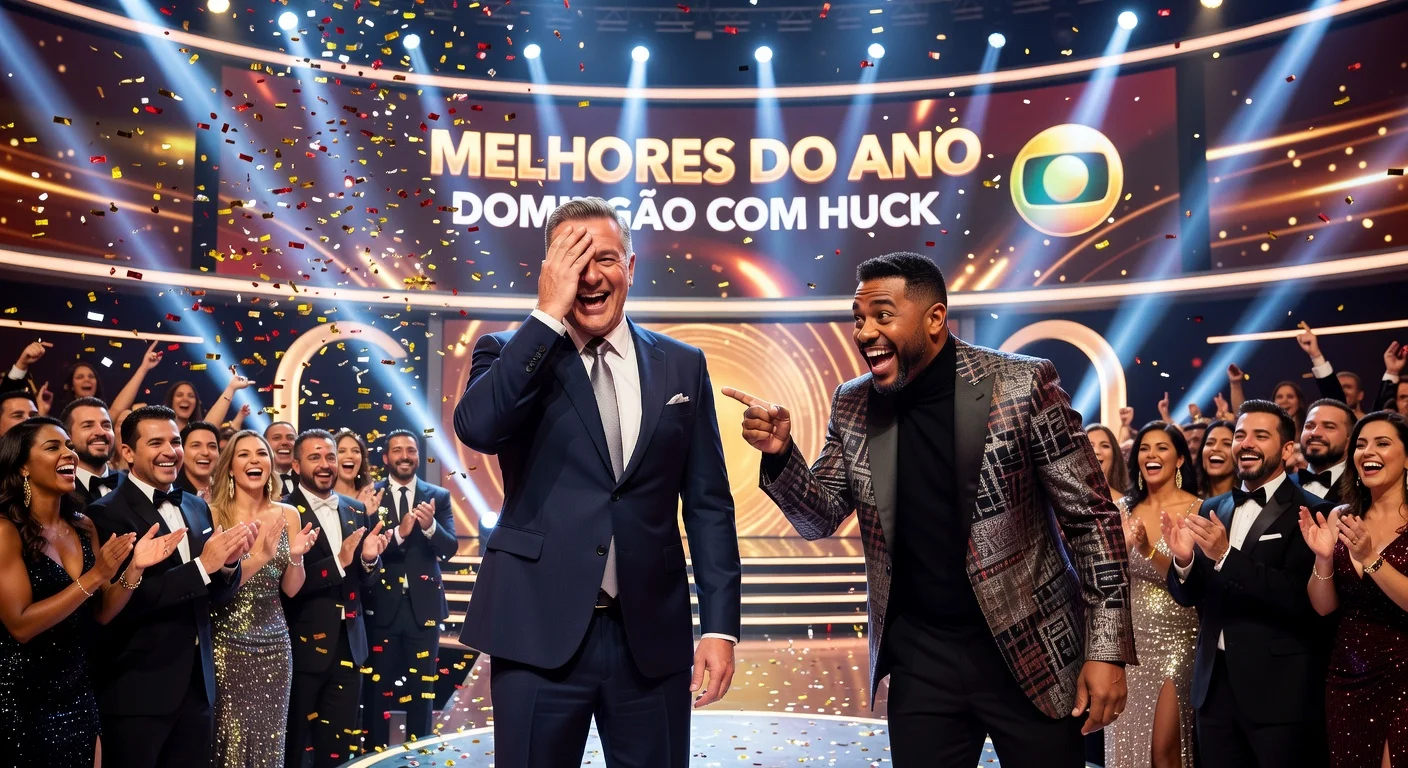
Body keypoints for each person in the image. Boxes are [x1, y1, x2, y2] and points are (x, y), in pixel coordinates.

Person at [727, 252, 1132, 768]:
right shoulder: (853, 403)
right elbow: (820, 515)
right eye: (858, 318)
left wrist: (1106, 649)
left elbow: (1091, 519)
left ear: (935, 318)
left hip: (1031, 649)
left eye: (882, 315)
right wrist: (782, 456)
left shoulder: (1021, 384)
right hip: (922, 659)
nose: (864, 331)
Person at [454, 196, 743, 768]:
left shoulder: (683, 366)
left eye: (606, 257)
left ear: (631, 267)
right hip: (536, 633)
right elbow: (478, 427)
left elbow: (708, 505)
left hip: (651, 641)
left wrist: (720, 628)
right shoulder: (512, 352)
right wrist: (544, 316)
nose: (591, 274)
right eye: (573, 258)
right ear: (549, 270)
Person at [1162, 400, 1333, 768]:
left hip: (1279, 693)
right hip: (1213, 687)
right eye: (1240, 435)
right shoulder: (1212, 507)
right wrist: (1184, 561)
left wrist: (1226, 555)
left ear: (1287, 448)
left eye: (1260, 435)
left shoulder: (1313, 510)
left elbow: (1299, 599)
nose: (1246, 443)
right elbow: (1190, 596)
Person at [0, 417, 180, 767]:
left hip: (79, 693)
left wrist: (133, 569)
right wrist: (96, 575)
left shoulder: (83, 525)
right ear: (22, 466)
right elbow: (20, 626)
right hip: (21, 699)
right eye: (53, 447)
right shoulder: (7, 531)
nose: (68, 453)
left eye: (69, 445)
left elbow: (101, 612)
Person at [86, 405, 257, 768]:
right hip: (138, 687)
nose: (170, 451)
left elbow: (214, 596)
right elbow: (116, 606)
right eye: (156, 442)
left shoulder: (197, 507)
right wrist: (202, 567)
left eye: (176, 441)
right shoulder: (105, 513)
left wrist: (227, 566)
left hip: (199, 685)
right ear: (128, 452)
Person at [1300, 410, 1408, 768]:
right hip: (1347, 673)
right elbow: (1324, 607)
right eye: (1360, 444)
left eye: (1382, 443)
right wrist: (1323, 560)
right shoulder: (1340, 516)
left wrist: (1371, 558)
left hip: (1403, 672)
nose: (1367, 452)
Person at [207, 430, 318, 768]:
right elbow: (214, 589)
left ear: (271, 464)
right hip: (226, 643)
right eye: (243, 455)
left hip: (274, 645)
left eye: (261, 454)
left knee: (270, 741)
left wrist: (295, 557)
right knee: (229, 739)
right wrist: (263, 555)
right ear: (229, 467)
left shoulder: (288, 514)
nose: (254, 460)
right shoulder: (212, 514)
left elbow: (291, 589)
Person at [282, 429, 389, 768]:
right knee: (294, 744)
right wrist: (339, 563)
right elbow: (285, 584)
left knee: (338, 747)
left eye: (330, 456)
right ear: (297, 466)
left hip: (350, 645)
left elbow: (366, 578)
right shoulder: (284, 512)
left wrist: (370, 561)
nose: (326, 464)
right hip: (300, 647)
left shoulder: (357, 509)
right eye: (315, 457)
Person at [1105, 422, 1201, 768]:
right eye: (1145, 448)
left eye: (1162, 448)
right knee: (1127, 746)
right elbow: (1105, 578)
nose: (1151, 455)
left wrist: (1147, 549)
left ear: (1179, 460)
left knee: (1164, 750)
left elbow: (1190, 584)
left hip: (1178, 639)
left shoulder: (1198, 510)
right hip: (1128, 642)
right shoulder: (1122, 510)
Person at [364, 430, 458, 748]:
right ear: (386, 457)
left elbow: (450, 549)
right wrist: (400, 534)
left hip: (425, 610)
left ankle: (421, 753)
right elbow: (368, 550)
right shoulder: (370, 496)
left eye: (411, 450)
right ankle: (375, 755)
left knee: (422, 689)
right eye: (398, 450)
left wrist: (431, 526)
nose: (405, 455)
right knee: (379, 691)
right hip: (382, 607)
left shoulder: (438, 496)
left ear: (417, 456)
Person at [61, 397, 123, 505]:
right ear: (67, 436)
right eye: (88, 426)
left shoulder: (131, 483)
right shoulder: (58, 491)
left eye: (106, 425)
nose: (101, 432)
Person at [1294, 399, 1353, 504]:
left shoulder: (1362, 488)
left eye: (1329, 427)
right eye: (1309, 426)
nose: (1315, 433)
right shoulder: (1283, 484)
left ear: (1349, 441)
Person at [332, 428, 377, 507]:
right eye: (342, 451)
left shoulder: (372, 496)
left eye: (355, 451)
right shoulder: (322, 499)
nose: (350, 456)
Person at [178, 421, 220, 500]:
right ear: (182, 451)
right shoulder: (171, 493)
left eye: (212, 446)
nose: (205, 452)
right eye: (196, 445)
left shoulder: (228, 492)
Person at [1087, 424, 1131, 499]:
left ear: (1114, 455)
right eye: (1089, 446)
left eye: (1105, 446)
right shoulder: (1064, 498)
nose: (1096, 451)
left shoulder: (1126, 503)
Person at [1199, 420, 1237, 500]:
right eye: (1210, 443)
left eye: (1227, 444)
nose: (1216, 448)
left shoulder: (1249, 500)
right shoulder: (1191, 501)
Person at [265, 422, 298, 497]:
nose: (284, 442)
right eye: (276, 438)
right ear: (264, 444)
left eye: (290, 438)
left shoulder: (309, 480)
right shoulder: (257, 482)